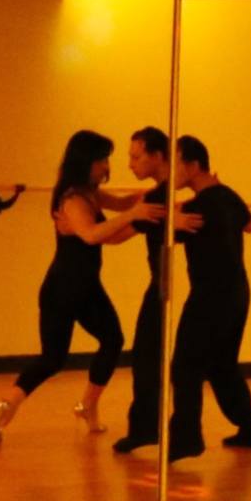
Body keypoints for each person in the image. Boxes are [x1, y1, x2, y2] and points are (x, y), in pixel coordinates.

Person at [0, 129, 147, 443]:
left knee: (110, 341)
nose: (106, 166)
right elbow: (92, 234)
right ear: (87, 160)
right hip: (64, 288)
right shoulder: (72, 198)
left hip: (83, 288)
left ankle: (86, 405)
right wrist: (136, 215)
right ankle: (6, 406)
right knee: (55, 358)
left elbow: (120, 210)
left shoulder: (88, 193)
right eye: (102, 160)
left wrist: (153, 201)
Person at [158, 134, 251, 458]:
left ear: (192, 165)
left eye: (175, 163)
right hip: (237, 292)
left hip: (211, 295)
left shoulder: (197, 209)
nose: (171, 171)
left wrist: (171, 217)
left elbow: (160, 234)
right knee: (222, 366)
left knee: (185, 365)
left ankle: (187, 439)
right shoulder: (227, 197)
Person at [109, 125, 175, 453]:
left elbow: (116, 235)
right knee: (151, 356)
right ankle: (149, 426)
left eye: (136, 156)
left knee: (148, 356)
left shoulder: (159, 197)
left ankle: (147, 428)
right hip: (162, 280)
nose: (130, 163)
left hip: (163, 282)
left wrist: (81, 230)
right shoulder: (160, 194)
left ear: (157, 156)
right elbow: (125, 208)